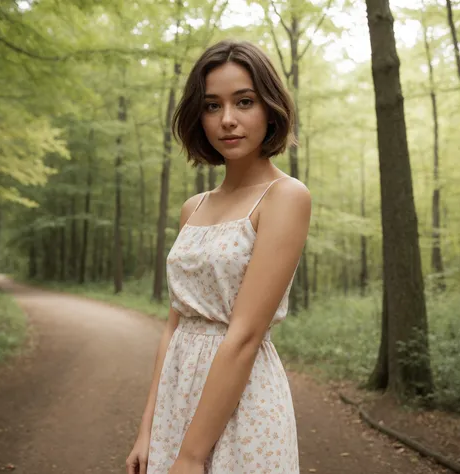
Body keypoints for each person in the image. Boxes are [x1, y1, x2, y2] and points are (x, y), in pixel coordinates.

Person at [126, 39, 311, 474]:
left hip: (242, 402)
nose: (227, 120)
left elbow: (245, 336)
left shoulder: (284, 197)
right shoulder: (194, 207)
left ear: (270, 108)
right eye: (212, 106)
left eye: (244, 101)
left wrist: (191, 457)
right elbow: (173, 327)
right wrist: (146, 430)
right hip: (178, 396)